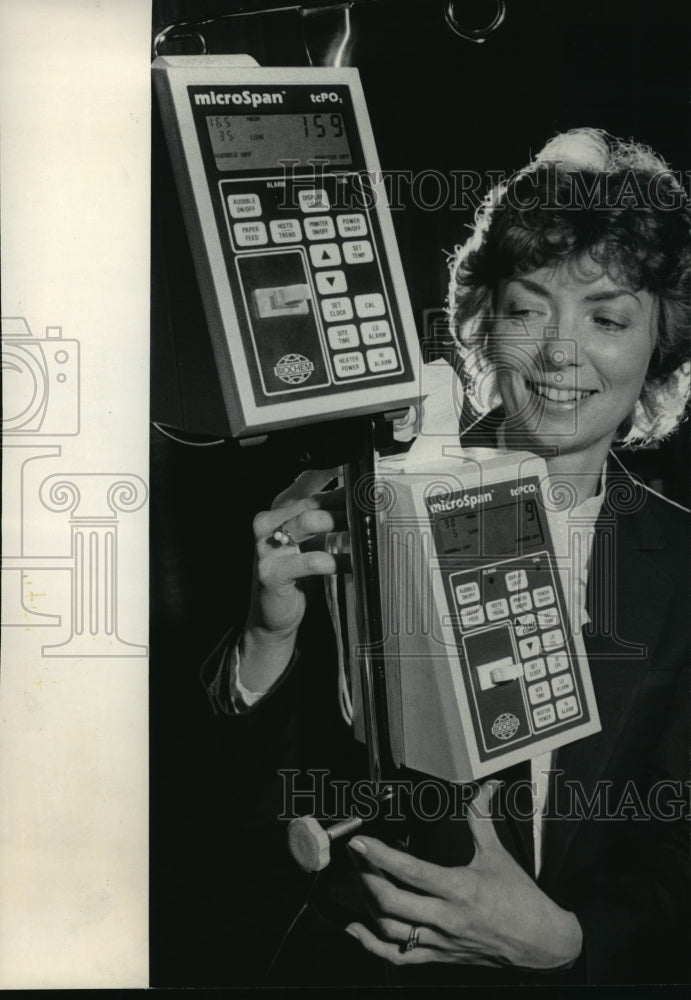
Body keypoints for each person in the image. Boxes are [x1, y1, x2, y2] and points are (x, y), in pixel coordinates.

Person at [202, 128, 690, 985]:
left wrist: (568, 944)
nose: (558, 354)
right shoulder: (360, 494)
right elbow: (236, 814)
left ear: (661, 345)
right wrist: (267, 637)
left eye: (606, 317)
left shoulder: (682, 564)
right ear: (481, 322)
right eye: (526, 308)